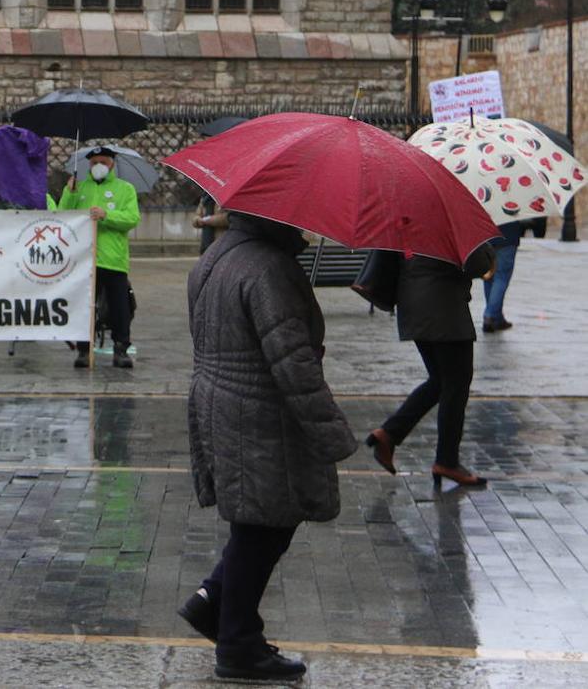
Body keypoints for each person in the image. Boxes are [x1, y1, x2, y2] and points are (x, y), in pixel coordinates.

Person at [179, 213, 356, 682]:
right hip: (259, 411)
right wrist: (330, 430)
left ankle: (213, 603)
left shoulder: (217, 255)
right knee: (264, 526)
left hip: (221, 400)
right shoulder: (267, 268)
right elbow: (292, 361)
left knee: (261, 521)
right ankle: (237, 644)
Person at [366, 244, 496, 488]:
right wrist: (488, 249)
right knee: (456, 385)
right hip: (444, 309)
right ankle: (447, 461)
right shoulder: (451, 214)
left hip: (413, 304)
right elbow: (477, 264)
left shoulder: (409, 215)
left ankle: (388, 433)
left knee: (440, 380)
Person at [57, 147, 139, 368]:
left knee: (119, 306)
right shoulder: (80, 188)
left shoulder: (125, 189)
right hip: (84, 258)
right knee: (85, 305)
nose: (98, 166)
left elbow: (132, 218)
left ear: (112, 163)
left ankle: (121, 348)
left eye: (103, 161)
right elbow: (62, 216)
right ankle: (84, 349)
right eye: (93, 163)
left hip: (113, 258)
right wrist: (69, 193)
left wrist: (107, 215)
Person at [481, 221, 523, 333]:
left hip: (486, 235)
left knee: (489, 277)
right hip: (507, 236)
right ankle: (489, 316)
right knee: (501, 277)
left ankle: (497, 317)